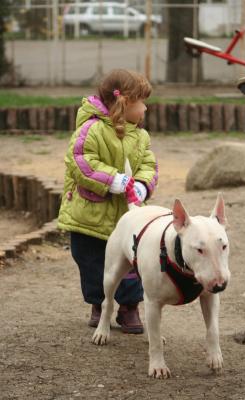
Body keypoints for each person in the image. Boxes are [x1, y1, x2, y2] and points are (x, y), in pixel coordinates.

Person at [58, 69, 158, 334]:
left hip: (127, 216)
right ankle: (99, 303)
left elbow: (149, 164)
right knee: (91, 260)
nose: (146, 108)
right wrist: (114, 180)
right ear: (124, 102)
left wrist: (141, 185)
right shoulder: (90, 129)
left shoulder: (140, 135)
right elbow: (80, 161)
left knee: (131, 261)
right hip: (90, 214)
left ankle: (129, 307)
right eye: (141, 102)